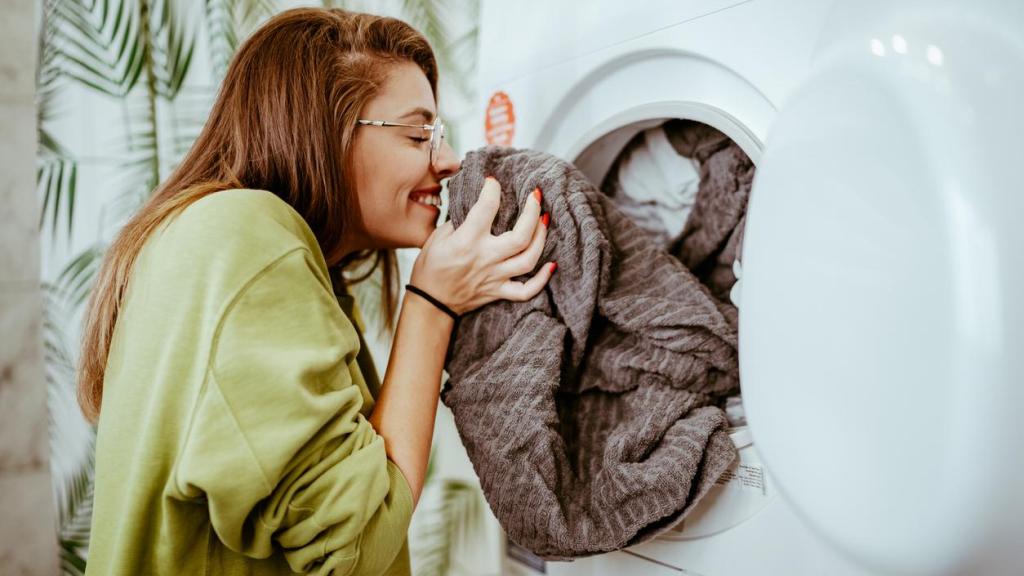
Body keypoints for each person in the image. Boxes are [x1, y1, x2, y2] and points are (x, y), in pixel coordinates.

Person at [76, 8, 554, 575]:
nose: (448, 161)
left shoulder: (245, 248)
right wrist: (432, 303)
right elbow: (354, 548)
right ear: (326, 130)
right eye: (418, 133)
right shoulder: (242, 236)